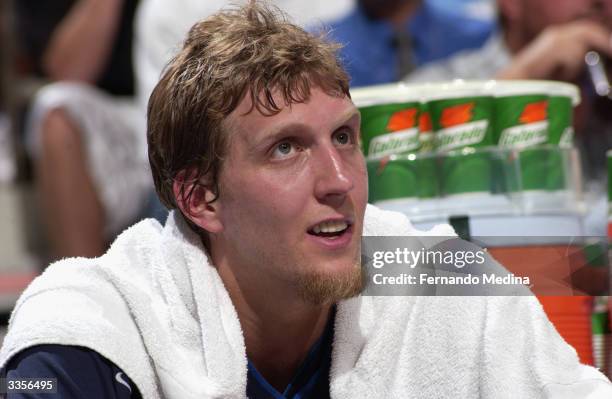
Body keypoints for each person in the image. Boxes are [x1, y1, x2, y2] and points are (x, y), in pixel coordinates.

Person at [1, 2, 612, 398]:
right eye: (286, 149)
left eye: (344, 137)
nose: (339, 180)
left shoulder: (438, 276)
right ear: (198, 197)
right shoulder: (104, 319)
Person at [16, 0, 152, 260]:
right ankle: (84, 290)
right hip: (122, 115)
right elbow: (67, 70)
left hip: (208, 105)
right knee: (56, 113)